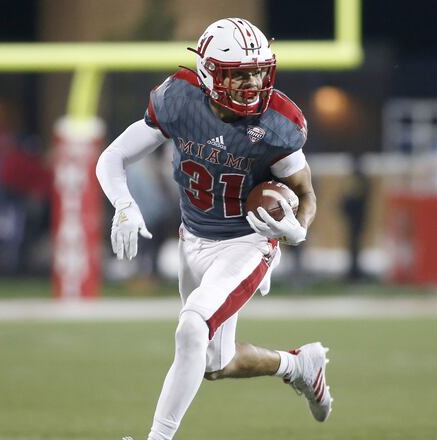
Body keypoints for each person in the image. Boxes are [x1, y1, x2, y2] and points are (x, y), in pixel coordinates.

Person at [96, 18, 332, 440]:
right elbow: (113, 157)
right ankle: (299, 365)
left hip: (247, 242)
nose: (252, 83)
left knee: (192, 325)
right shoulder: (179, 99)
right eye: (239, 74)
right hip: (193, 238)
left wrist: (299, 229)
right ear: (209, 74)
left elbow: (305, 192)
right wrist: (125, 207)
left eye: (258, 71)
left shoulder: (277, 123)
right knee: (213, 363)